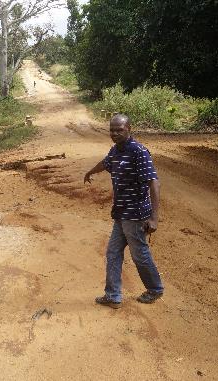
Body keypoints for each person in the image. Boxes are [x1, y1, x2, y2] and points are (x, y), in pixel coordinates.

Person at [84, 114, 163, 309]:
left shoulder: (139, 151)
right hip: (120, 213)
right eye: (112, 130)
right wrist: (90, 172)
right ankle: (113, 295)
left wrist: (154, 217)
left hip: (136, 215)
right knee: (113, 252)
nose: (115, 133)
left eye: (119, 129)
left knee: (139, 254)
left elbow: (154, 182)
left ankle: (155, 289)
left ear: (129, 128)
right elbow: (105, 163)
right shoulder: (116, 151)